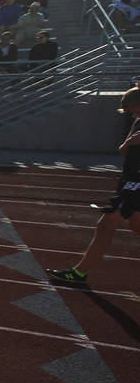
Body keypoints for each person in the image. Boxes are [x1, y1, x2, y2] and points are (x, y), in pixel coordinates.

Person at [47, 88, 140, 285]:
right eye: (131, 111)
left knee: (106, 224)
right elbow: (123, 151)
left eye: (134, 110)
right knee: (135, 224)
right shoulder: (138, 122)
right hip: (128, 180)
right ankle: (79, 273)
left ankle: (79, 273)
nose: (133, 114)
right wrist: (131, 143)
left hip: (137, 184)